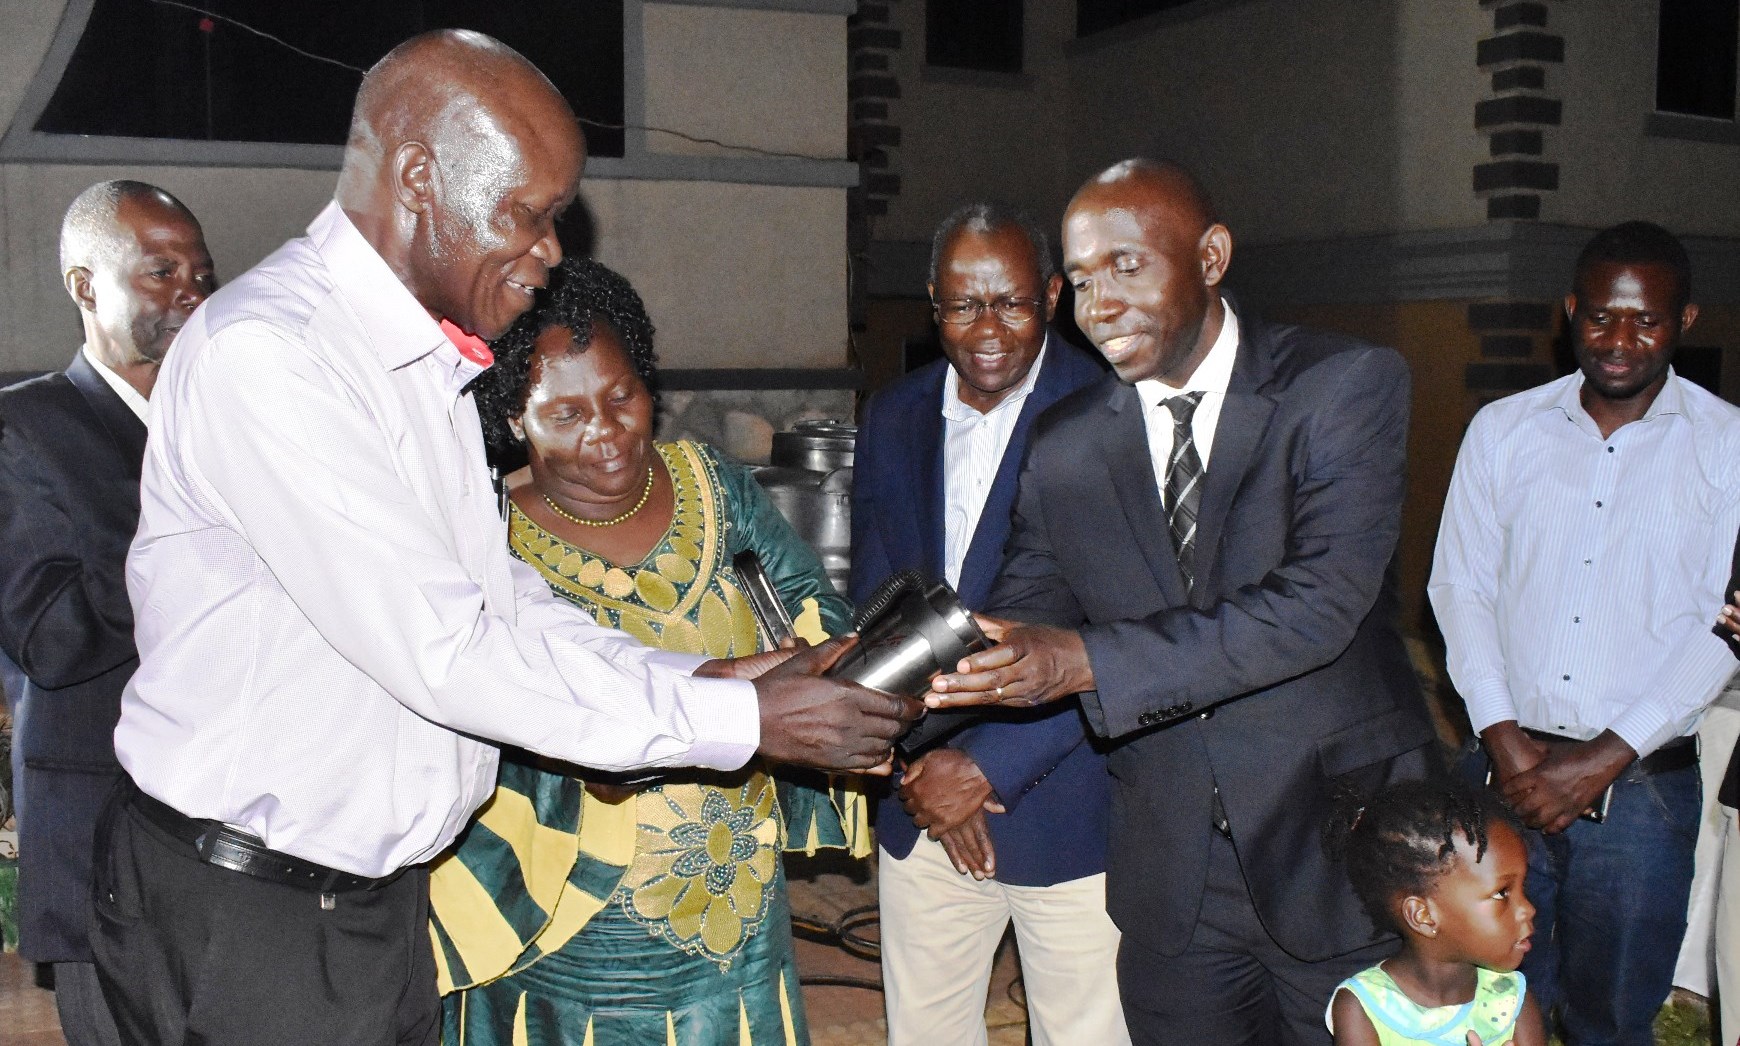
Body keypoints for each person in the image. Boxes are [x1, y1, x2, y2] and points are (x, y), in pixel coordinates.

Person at [92, 30, 915, 1046]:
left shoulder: (425, 367)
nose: (554, 251)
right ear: (422, 175)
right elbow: (447, 647)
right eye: (528, 214)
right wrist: (743, 726)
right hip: (247, 914)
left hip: (363, 905)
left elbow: (506, 602)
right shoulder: (274, 356)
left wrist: (723, 681)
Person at [927, 158, 1438, 1044]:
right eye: (1082, 280)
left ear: (1209, 256)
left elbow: (1315, 606)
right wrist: (874, 695)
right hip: (1172, 879)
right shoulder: (1070, 441)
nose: (1099, 305)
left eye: (1127, 266)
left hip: (1333, 851)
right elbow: (1015, 615)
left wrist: (1085, 659)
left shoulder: (1340, 385)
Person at [431, 256, 864, 1043]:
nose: (605, 432)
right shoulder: (483, 534)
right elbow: (490, 705)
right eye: (564, 414)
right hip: (571, 915)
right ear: (510, 421)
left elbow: (811, 606)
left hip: (735, 893)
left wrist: (835, 662)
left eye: (621, 396)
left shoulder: (713, 485)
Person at [1429, 220, 1740, 1045]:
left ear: (1687, 322)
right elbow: (1458, 586)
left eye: (1648, 319)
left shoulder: (1730, 447)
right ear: (1571, 310)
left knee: (1612, 1019)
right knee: (1486, 1007)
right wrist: (1503, 739)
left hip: (1640, 793)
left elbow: (1727, 625)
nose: (1621, 339)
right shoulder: (1503, 430)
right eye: (1602, 316)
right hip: (1503, 770)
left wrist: (1604, 759)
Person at [849, 201, 1125, 1045]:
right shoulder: (893, 416)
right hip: (921, 802)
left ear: (1050, 295)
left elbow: (1126, 627)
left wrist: (983, 767)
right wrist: (910, 762)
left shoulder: (1114, 411)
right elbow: (875, 604)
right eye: (964, 305)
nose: (988, 327)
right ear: (934, 304)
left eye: (1010, 301)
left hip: (1070, 798)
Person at [0, 180, 213, 1046]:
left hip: (242, 841)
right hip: (103, 846)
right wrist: (189, 517)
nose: (192, 290)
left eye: (201, 271)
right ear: (87, 286)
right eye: (161, 270)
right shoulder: (26, 428)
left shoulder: (227, 428)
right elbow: (51, 638)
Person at [1327, 779, 1545, 1046]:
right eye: (1501, 893)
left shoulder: (1510, 1001)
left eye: (1523, 887)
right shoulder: (1365, 1009)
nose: (1528, 909)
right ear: (1423, 916)